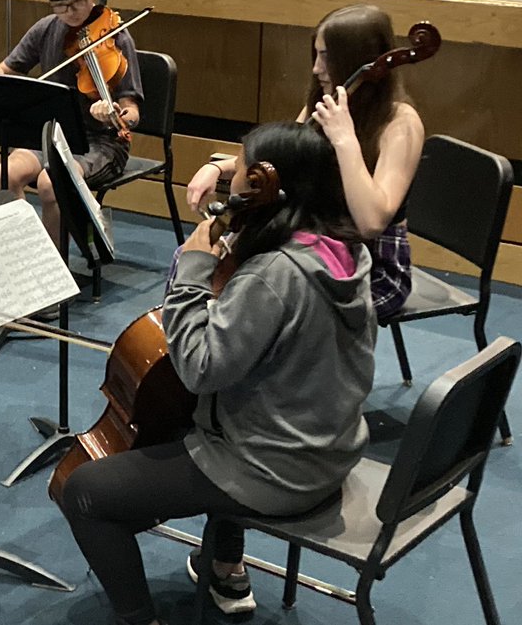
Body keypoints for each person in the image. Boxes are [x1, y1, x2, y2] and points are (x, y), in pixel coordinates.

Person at [58, 122, 376, 625]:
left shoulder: (274, 275)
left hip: (274, 470)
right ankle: (225, 567)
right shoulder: (344, 249)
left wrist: (194, 268)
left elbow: (200, 370)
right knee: (194, 423)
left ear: (265, 180)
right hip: (329, 449)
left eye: (241, 165)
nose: (234, 177)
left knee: (86, 493)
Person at [185, 4, 424, 321]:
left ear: (355, 60)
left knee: (274, 303)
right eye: (316, 55)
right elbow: (283, 159)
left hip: (373, 266)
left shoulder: (400, 123)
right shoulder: (325, 100)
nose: (316, 69)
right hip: (319, 243)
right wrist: (219, 167)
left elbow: (371, 222)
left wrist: (345, 140)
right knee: (219, 266)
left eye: (326, 56)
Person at [0, 0, 144, 247]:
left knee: (52, 183)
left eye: (77, 3)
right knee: (6, 173)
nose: (70, 13)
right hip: (51, 136)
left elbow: (131, 110)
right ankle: (26, 253)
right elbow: (4, 69)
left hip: (101, 143)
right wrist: (3, 86)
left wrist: (114, 113)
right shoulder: (46, 29)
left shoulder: (117, 38)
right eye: (60, 6)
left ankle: (56, 269)